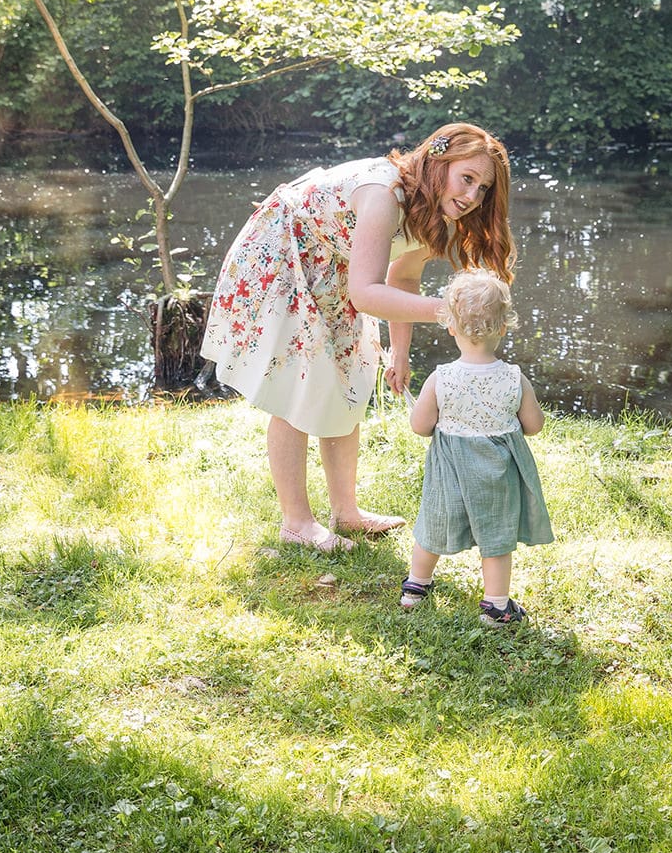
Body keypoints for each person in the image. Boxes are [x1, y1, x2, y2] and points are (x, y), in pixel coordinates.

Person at [201, 123, 515, 553]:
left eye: (483, 189)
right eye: (468, 178)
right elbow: (366, 294)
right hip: (288, 251)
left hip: (336, 266)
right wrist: (448, 310)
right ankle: (296, 521)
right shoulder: (383, 194)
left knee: (349, 378)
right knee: (297, 384)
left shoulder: (437, 214)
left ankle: (345, 512)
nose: (472, 196)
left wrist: (399, 353)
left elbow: (401, 279)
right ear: (438, 161)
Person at [399, 269, 552, 626]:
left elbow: (420, 426)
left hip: (450, 469)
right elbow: (535, 425)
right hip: (497, 475)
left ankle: (415, 588)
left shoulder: (441, 378)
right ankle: (496, 606)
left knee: (433, 524)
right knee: (496, 538)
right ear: (503, 327)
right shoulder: (515, 377)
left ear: (451, 327)